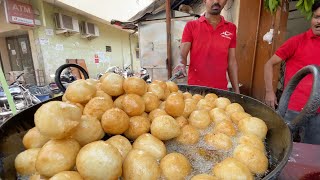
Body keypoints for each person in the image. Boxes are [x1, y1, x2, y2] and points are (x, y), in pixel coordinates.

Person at [264, 1, 320, 144]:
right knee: (283, 146)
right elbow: (269, 64)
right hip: (291, 110)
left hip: (317, 115)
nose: (318, 22)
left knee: (311, 154)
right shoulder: (297, 41)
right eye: (316, 17)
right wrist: (269, 91)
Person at [173, 0, 240, 93]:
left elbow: (232, 62)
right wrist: (181, 63)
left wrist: (237, 92)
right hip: (196, 90)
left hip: (220, 91)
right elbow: (182, 54)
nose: (216, 1)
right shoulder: (191, 26)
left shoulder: (231, 28)